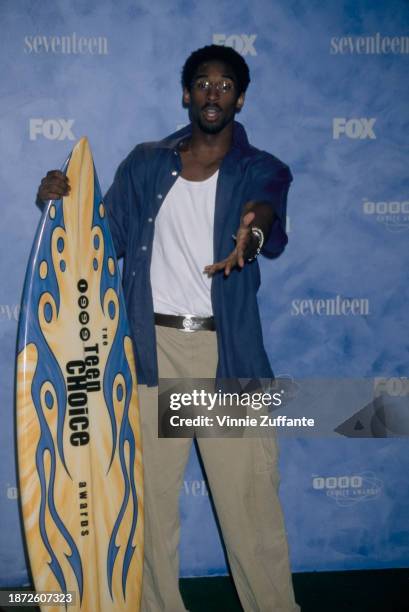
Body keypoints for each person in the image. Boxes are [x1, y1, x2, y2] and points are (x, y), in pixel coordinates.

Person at [38, 45, 300, 612]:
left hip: (224, 358)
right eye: (202, 83)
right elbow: (97, 240)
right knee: (149, 508)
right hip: (150, 352)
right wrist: (58, 203)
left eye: (225, 85)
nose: (212, 93)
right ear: (187, 94)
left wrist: (249, 235)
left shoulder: (262, 168)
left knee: (250, 507)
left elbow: (264, 214)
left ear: (240, 98)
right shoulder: (145, 163)